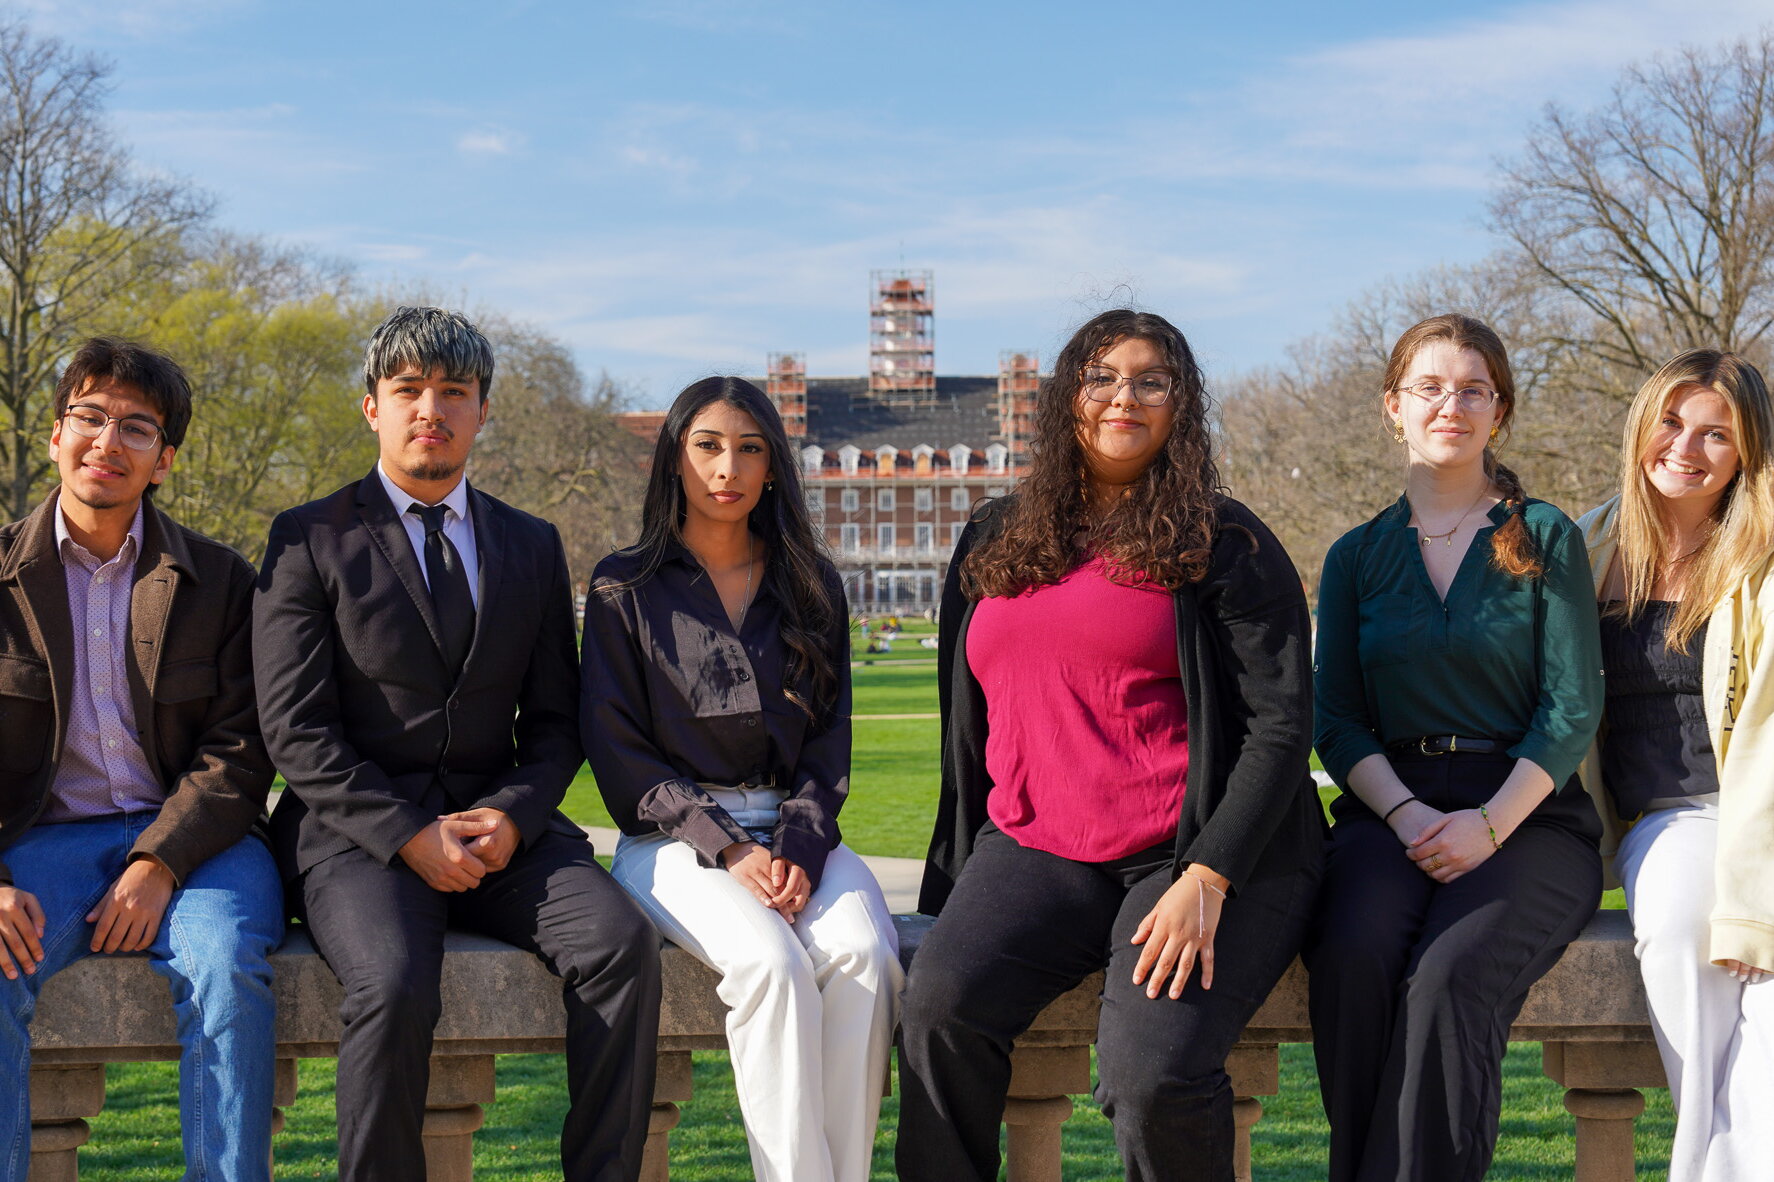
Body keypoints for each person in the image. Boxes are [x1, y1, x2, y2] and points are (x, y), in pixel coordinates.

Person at [897, 309, 1324, 1182]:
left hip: (1193, 852)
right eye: (1102, 377)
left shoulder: (1224, 541)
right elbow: (967, 716)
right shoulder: (994, 535)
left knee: (1152, 1075)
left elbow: (1281, 724)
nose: (1124, 396)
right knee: (938, 1010)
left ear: (1179, 404)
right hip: (1038, 849)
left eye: (1150, 379)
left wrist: (1209, 875)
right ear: (1067, 398)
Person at [253, 307, 660, 1182]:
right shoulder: (308, 537)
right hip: (360, 840)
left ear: (481, 411)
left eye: (453, 393)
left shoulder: (531, 544)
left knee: (622, 946)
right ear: (372, 407)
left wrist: (512, 817)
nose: (429, 408)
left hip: (500, 831)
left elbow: (556, 723)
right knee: (393, 985)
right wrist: (407, 834)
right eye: (407, 391)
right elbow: (295, 728)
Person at [1307, 313, 1603, 1181]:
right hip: (1385, 811)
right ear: (1392, 409)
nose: (1452, 405)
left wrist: (1489, 823)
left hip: (1527, 815)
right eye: (1430, 388)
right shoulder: (1356, 556)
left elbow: (1571, 706)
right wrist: (1402, 815)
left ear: (1498, 412)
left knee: (1448, 982)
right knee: (1354, 962)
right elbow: (1338, 719)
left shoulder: (1545, 537)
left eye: (1473, 389)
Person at [582, 376, 901, 1182]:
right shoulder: (625, 587)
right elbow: (620, 754)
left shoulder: (811, 583)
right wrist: (728, 848)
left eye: (750, 449)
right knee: (772, 965)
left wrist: (796, 841)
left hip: (797, 831)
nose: (728, 467)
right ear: (675, 460)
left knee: (865, 954)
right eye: (709, 446)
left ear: (772, 470)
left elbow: (829, 745)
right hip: (674, 842)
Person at [0, 338, 283, 1179]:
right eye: (88, 417)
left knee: (228, 974)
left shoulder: (221, 581)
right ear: (54, 435)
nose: (107, 442)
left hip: (202, 847)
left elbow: (241, 747)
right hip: (44, 841)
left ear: (163, 461)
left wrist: (160, 859)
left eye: (136, 427)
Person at [1578, 349, 1774, 1180]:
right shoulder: (1585, 544)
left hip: (1754, 811)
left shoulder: (1764, 559)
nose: (1685, 449)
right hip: (1670, 818)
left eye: (1715, 436)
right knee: (1681, 936)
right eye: (1670, 422)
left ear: (1748, 454)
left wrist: (1756, 899)